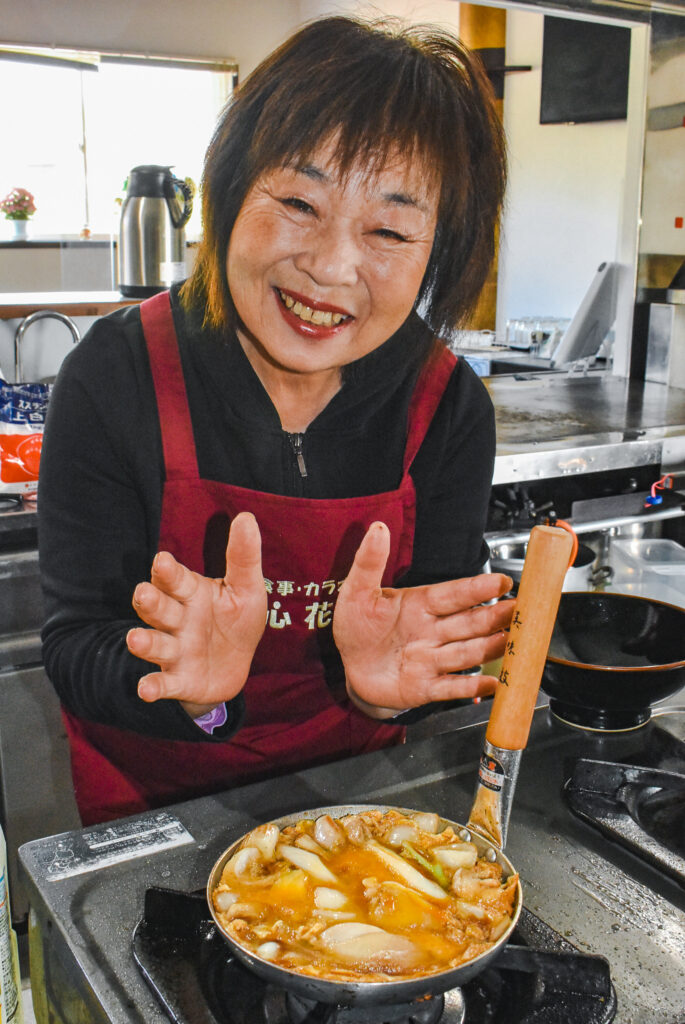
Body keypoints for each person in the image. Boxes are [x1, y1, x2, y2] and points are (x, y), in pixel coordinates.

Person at [38, 15, 514, 826]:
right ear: (228, 192)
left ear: (439, 252)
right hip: (150, 810)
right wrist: (194, 692)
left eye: (390, 230)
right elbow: (74, 641)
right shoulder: (115, 374)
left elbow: (428, 652)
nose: (331, 268)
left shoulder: (448, 408)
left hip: (358, 813)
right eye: (298, 201)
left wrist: (391, 696)